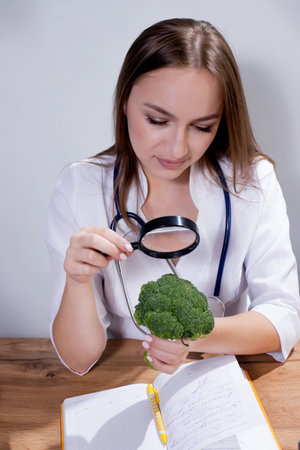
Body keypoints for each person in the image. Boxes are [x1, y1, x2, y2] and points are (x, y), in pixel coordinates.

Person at [44, 18, 300, 375]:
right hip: (120, 385)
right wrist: (77, 280)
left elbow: (284, 317)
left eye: (202, 126)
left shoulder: (252, 181)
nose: (178, 148)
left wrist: (192, 335)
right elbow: (78, 360)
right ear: (125, 102)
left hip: (221, 382)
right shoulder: (80, 187)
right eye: (157, 120)